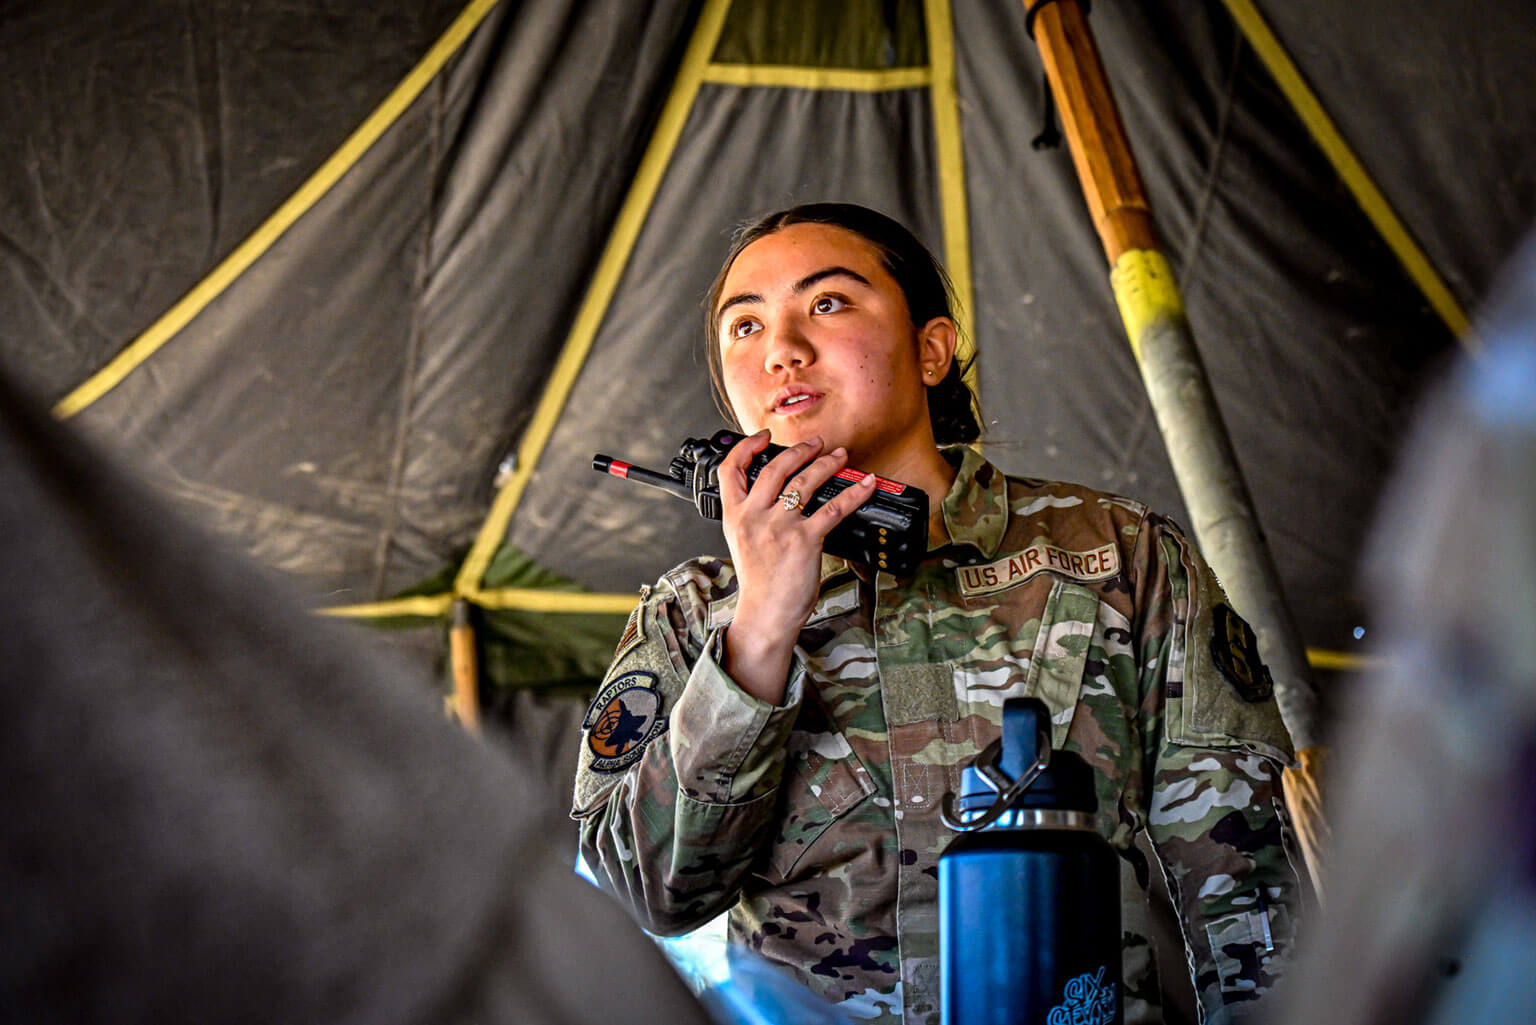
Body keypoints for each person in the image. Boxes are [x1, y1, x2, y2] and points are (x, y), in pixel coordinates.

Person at [572, 203, 1301, 1025]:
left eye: (827, 303)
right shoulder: (692, 614)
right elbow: (640, 898)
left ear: (930, 349)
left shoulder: (1121, 555)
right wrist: (757, 636)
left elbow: (1250, 894)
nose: (781, 349)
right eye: (744, 326)